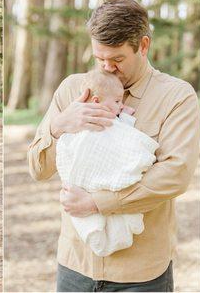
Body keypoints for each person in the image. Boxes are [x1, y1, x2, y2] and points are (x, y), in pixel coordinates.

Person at [27, 0, 200, 291]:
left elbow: (175, 175)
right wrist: (59, 127)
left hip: (141, 273)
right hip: (75, 265)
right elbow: (38, 169)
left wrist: (97, 203)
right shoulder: (73, 88)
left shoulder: (177, 97)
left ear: (143, 46)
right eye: (99, 58)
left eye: (117, 60)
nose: (107, 68)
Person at [56, 69, 158, 257]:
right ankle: (95, 229)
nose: (121, 106)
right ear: (96, 102)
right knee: (86, 212)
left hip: (106, 181)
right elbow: (71, 146)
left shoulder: (115, 119)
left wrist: (124, 115)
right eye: (117, 101)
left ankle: (114, 228)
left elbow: (121, 137)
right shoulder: (81, 121)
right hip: (82, 181)